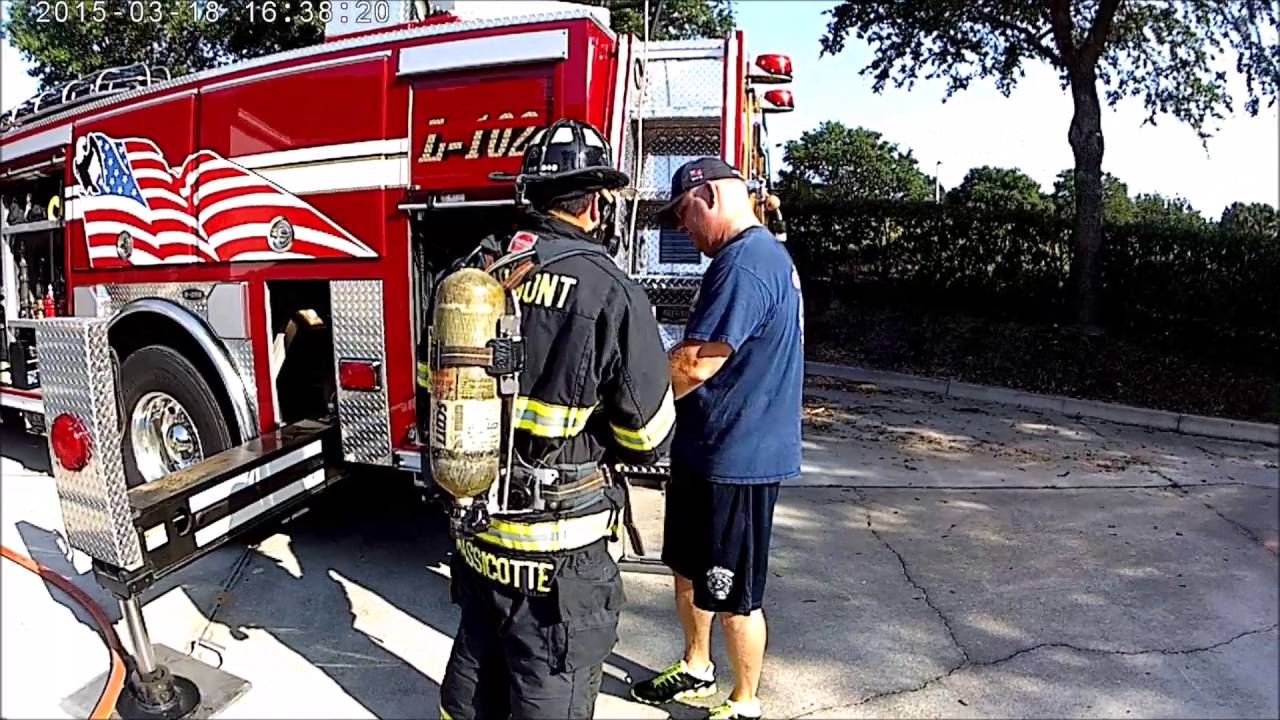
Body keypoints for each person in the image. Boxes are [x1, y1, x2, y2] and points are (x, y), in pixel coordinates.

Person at [434, 118, 676, 720]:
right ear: (594, 202)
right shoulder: (610, 289)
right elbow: (647, 436)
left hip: (480, 534)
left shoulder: (474, 274)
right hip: (560, 559)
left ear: (528, 196)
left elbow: (433, 382)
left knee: (471, 690)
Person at [629, 158, 804, 720]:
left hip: (739, 457)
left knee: (733, 593)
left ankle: (745, 702)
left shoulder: (747, 262)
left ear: (707, 196)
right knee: (686, 566)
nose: (683, 229)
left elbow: (697, 363)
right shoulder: (744, 257)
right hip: (707, 449)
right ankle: (697, 665)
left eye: (684, 215)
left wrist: (631, 405)